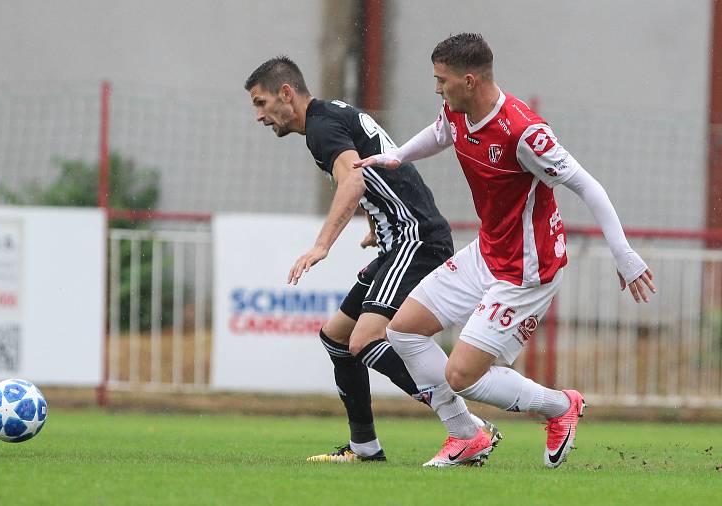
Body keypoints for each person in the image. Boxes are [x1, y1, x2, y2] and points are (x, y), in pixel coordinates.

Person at [354, 33, 657, 468]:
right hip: (488, 250)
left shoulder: (523, 131)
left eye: (442, 80)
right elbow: (443, 132)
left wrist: (624, 254)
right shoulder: (457, 110)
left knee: (460, 375)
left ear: (470, 81)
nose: (437, 88)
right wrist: (398, 156)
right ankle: (466, 436)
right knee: (403, 330)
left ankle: (559, 406)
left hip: (528, 269)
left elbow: (587, 185)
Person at [244, 56, 501, 464]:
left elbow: (355, 180)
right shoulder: (331, 116)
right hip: (399, 237)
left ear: (286, 94)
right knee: (337, 338)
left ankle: (468, 427)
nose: (258, 115)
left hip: (415, 240)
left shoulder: (321, 127)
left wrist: (322, 244)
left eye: (261, 103)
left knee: (364, 340)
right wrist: (378, 220)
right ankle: (364, 448)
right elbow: (375, 171)